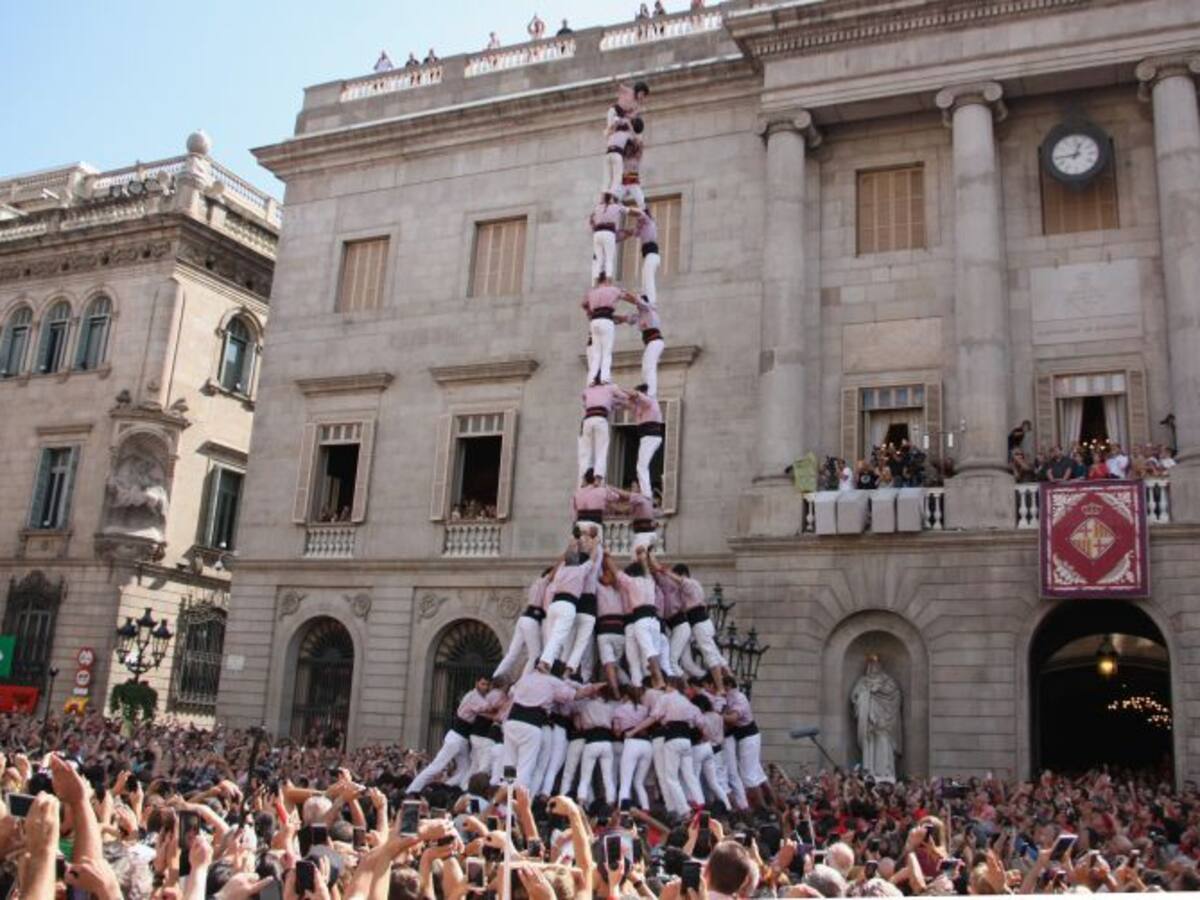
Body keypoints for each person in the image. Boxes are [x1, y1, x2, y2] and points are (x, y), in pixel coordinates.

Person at [408, 677, 499, 793]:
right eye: (483, 684)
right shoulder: (473, 696)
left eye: (487, 685)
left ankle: (445, 788)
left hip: (462, 740)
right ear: (477, 684)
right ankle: (411, 791)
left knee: (465, 769)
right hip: (456, 738)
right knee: (436, 767)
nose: (485, 687)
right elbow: (489, 708)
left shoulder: (478, 697)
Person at [540, 531, 601, 670]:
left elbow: (564, 558)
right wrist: (595, 544)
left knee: (552, 639)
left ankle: (548, 664)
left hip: (553, 606)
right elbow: (592, 559)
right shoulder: (580, 570)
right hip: (567, 606)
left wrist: (572, 543)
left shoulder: (561, 570)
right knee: (558, 637)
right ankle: (544, 663)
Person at [493, 568, 552, 681]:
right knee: (535, 655)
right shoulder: (542, 582)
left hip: (524, 619)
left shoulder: (536, 585)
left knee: (512, 654)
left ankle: (494, 677)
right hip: (531, 620)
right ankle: (524, 681)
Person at [583, 273, 636, 385]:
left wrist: (589, 311)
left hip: (594, 321)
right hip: (606, 320)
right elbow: (628, 298)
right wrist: (637, 301)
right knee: (606, 352)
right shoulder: (612, 289)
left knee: (597, 353)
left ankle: (592, 379)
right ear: (606, 280)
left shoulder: (592, 292)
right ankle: (605, 378)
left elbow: (583, 304)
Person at [578, 379, 630, 482]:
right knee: (601, 449)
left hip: (587, 420)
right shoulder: (610, 388)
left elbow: (584, 399)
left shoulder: (588, 390)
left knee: (587, 451)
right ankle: (598, 477)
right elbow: (624, 397)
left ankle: (584, 478)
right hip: (600, 419)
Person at [620, 290, 665, 397]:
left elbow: (636, 300)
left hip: (655, 341)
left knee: (649, 365)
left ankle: (651, 392)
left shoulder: (648, 309)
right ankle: (646, 387)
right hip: (651, 343)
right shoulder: (640, 315)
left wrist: (621, 293)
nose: (637, 307)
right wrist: (608, 317)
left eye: (638, 305)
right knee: (646, 365)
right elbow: (623, 319)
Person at [621, 205, 661, 307]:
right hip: (649, 256)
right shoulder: (642, 227)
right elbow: (630, 232)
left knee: (648, 275)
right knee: (644, 274)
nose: (637, 221)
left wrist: (624, 209)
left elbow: (639, 213)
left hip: (652, 254)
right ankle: (645, 296)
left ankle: (651, 301)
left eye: (638, 220)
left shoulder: (648, 221)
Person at [589, 193, 625, 284]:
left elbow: (591, 219)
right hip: (608, 233)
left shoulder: (598, 207)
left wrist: (593, 224)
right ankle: (608, 281)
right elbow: (626, 210)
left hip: (598, 233)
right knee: (609, 259)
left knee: (599, 260)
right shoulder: (616, 207)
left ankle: (595, 283)